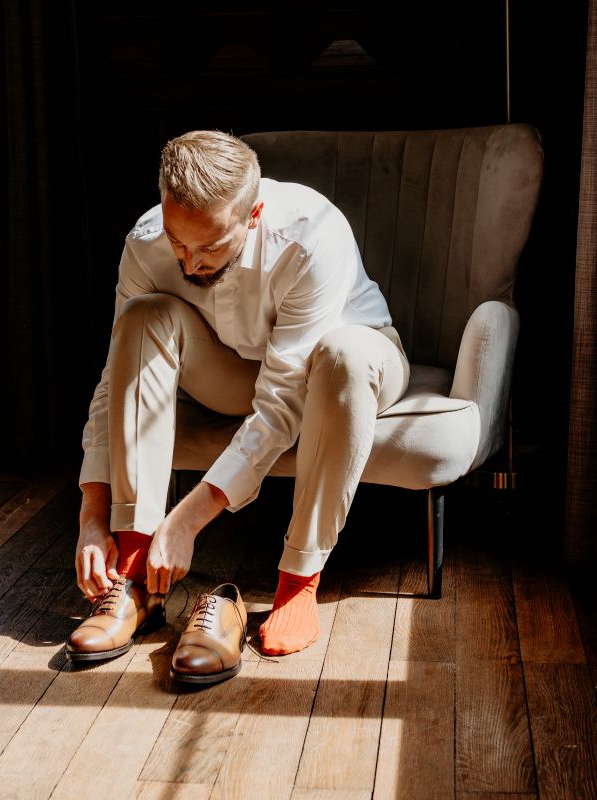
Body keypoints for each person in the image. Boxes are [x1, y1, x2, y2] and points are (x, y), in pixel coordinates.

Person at [68, 129, 409, 663]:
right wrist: (92, 516)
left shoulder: (311, 236)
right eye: (179, 243)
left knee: (343, 353)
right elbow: (116, 378)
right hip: (233, 368)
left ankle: (298, 582)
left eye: (210, 247)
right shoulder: (147, 241)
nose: (190, 263)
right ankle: (135, 575)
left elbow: (283, 401)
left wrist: (187, 520)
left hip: (350, 365)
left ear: (253, 216)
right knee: (140, 317)